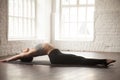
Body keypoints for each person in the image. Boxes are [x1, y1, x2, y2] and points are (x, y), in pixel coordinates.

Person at [0, 43, 116, 67]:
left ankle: (103, 61)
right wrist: (6, 60)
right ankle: (104, 61)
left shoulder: (32, 49)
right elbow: (17, 56)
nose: (22, 49)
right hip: (55, 57)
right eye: (22, 51)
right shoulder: (28, 53)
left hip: (56, 54)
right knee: (79, 60)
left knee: (78, 59)